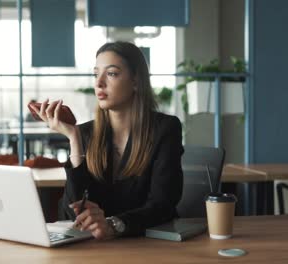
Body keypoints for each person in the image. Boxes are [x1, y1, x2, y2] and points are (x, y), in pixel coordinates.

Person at [29, 41, 183, 240]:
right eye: (95, 74)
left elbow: (162, 205)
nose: (99, 83)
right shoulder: (85, 133)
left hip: (149, 245)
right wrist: (74, 138)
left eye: (111, 73)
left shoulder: (165, 129)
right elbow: (70, 214)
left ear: (136, 81)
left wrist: (113, 224)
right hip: (98, 249)